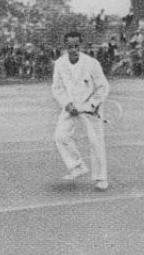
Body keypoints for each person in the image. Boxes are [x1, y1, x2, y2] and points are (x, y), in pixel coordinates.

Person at [51, 31, 110, 191]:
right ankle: (77, 166)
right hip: (70, 106)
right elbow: (57, 88)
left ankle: (101, 177)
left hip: (90, 109)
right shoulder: (59, 63)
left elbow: (103, 87)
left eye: (76, 46)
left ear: (81, 46)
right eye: (70, 46)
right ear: (65, 47)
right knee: (60, 136)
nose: (73, 49)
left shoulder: (92, 63)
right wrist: (67, 103)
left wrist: (92, 105)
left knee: (95, 141)